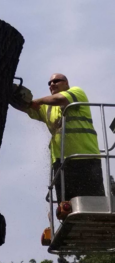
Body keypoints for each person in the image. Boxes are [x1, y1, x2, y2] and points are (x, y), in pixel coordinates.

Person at [11, 73, 105, 203]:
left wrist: (37, 101)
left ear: (66, 83)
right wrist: (11, 95)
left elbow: (60, 99)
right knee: (67, 206)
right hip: (61, 162)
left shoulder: (77, 92)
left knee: (95, 203)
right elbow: (28, 108)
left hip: (85, 156)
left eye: (56, 81)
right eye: (49, 83)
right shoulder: (47, 108)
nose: (52, 84)